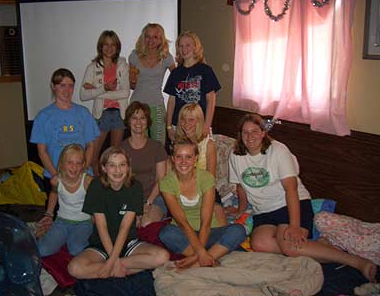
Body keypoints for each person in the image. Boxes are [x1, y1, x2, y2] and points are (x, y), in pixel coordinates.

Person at [228, 113, 377, 283]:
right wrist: (240, 210)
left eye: (255, 131)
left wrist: (295, 225)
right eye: (245, 132)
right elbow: (240, 186)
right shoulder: (236, 155)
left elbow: (291, 189)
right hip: (264, 210)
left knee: (290, 246)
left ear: (263, 133)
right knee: (259, 244)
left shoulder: (278, 151)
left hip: (290, 203)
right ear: (240, 135)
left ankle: (357, 262)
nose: (250, 137)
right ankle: (321, 247)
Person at [67, 147, 169, 279]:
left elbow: (124, 228)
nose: (118, 170)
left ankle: (109, 270)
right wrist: (113, 261)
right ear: (104, 168)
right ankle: (123, 269)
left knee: (163, 257)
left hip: (127, 242)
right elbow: (101, 227)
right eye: (112, 165)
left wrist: (113, 263)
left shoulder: (135, 186)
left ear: (128, 167)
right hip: (102, 244)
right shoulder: (96, 186)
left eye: (122, 165)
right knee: (74, 268)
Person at [158, 138, 246, 269]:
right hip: (185, 233)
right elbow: (182, 223)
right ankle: (211, 256)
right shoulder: (166, 182)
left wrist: (197, 254)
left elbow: (206, 221)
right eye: (179, 157)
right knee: (166, 233)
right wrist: (201, 251)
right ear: (172, 159)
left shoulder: (206, 178)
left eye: (188, 157)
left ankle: (197, 262)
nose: (183, 162)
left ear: (196, 159)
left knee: (238, 230)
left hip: (210, 231)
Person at [30, 68, 100, 192]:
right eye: (62, 85)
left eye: (70, 86)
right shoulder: (43, 116)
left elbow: (90, 146)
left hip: (81, 176)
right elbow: (42, 152)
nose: (67, 90)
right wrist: (56, 175)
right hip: (55, 176)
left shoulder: (83, 113)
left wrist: (82, 171)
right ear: (53, 86)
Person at [80, 30, 130, 176]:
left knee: (115, 157)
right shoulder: (93, 67)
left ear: (117, 47)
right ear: (100, 47)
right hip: (101, 115)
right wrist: (104, 88)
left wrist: (98, 91)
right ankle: (97, 186)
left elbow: (125, 93)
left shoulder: (122, 65)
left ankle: (114, 185)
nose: (109, 48)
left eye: (113, 44)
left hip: (119, 115)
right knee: (93, 155)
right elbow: (83, 95)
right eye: (106, 44)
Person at [175, 103, 227, 226]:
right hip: (183, 191)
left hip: (205, 189)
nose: (186, 123)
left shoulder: (208, 144)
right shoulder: (177, 144)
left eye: (191, 120)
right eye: (183, 119)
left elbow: (211, 178)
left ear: (199, 121)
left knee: (222, 226)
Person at [37, 144, 93, 257]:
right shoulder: (56, 180)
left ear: (83, 165)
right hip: (62, 221)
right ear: (62, 163)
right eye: (70, 162)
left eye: (78, 163)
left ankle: (76, 240)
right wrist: (49, 214)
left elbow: (97, 202)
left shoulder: (87, 181)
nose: (74, 167)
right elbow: (54, 194)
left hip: (84, 222)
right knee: (42, 250)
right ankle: (58, 236)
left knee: (76, 250)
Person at [164, 31, 221, 141]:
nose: (184, 48)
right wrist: (169, 126)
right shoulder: (175, 73)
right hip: (179, 125)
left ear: (196, 47)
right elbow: (171, 101)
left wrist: (206, 126)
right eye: (181, 46)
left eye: (188, 45)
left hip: (199, 125)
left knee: (202, 156)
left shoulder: (206, 70)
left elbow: (211, 100)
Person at [121, 101, 168, 227]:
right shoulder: (121, 148)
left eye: (143, 118)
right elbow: (120, 180)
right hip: (130, 197)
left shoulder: (157, 147)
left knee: (146, 223)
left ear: (147, 122)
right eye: (134, 118)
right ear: (128, 121)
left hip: (156, 197)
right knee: (133, 223)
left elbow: (161, 180)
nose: (138, 122)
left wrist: (148, 202)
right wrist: (135, 204)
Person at [129, 23, 175, 144]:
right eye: (148, 36)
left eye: (155, 37)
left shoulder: (166, 57)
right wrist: (132, 80)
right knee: (139, 144)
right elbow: (132, 86)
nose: (151, 40)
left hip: (157, 106)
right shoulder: (134, 56)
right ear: (143, 38)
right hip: (137, 106)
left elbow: (177, 78)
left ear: (161, 39)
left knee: (158, 145)